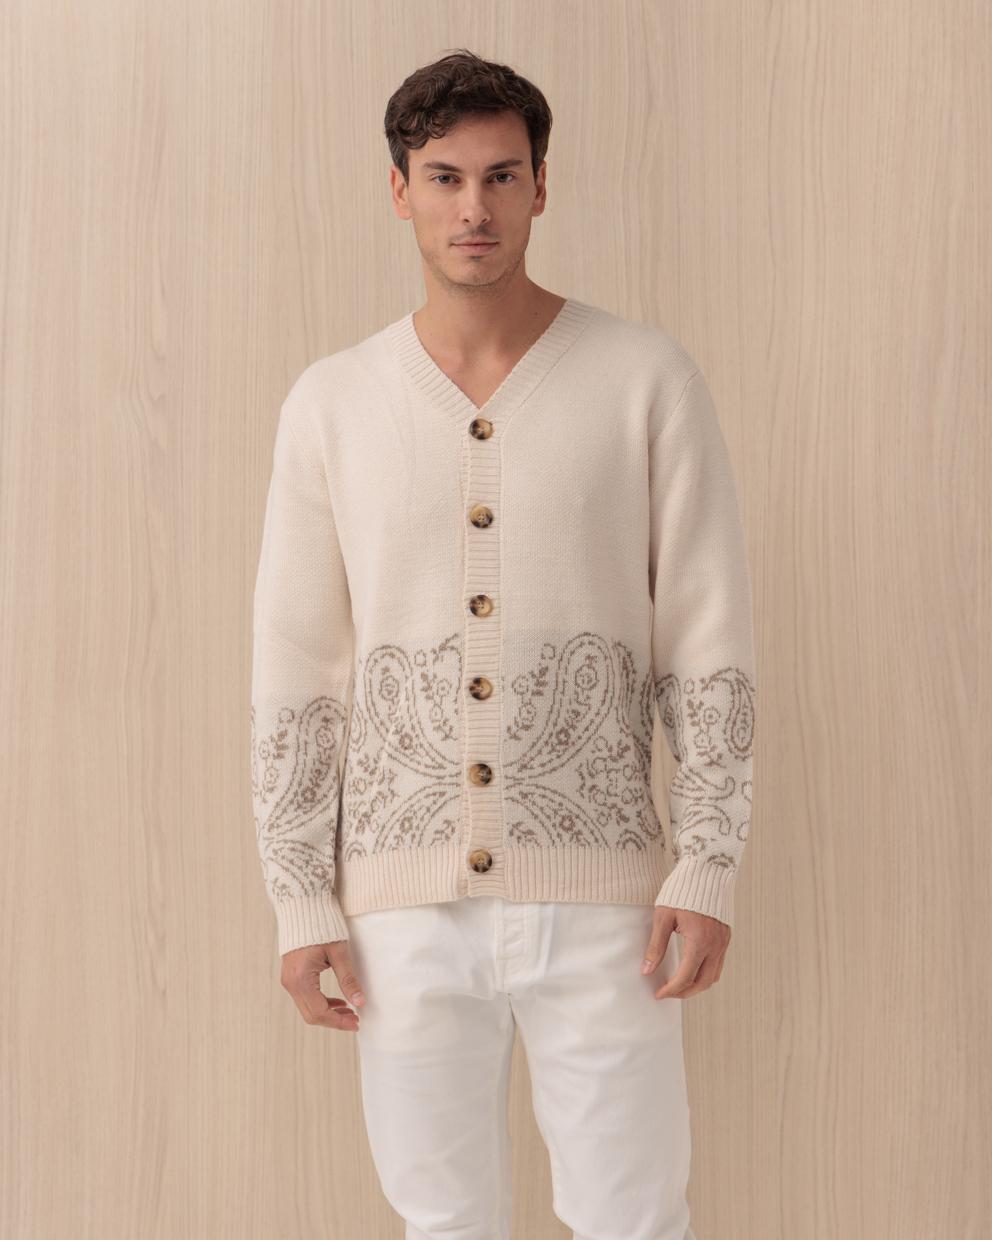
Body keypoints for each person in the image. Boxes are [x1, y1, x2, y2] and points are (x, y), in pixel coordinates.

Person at [250, 47, 756, 1240]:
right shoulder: (332, 403)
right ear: (399, 190)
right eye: (443, 177)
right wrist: (299, 896)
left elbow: (705, 637)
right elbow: (297, 666)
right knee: (442, 1222)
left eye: (500, 175)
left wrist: (707, 861)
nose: (471, 207)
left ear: (540, 186)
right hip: (400, 908)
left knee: (636, 1217)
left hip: (605, 900)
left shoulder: (642, 379)